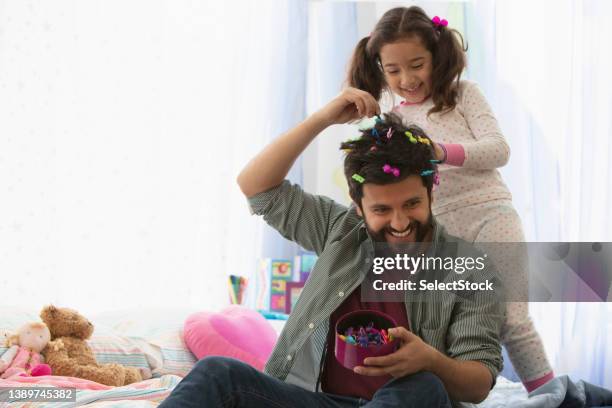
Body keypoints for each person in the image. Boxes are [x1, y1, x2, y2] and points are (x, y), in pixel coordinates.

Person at [159, 89, 504, 407]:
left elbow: (479, 382)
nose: (400, 223)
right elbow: (256, 187)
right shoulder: (339, 230)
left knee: (424, 385)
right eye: (382, 210)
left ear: (431, 192)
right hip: (322, 401)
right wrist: (322, 119)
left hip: (407, 402)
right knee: (219, 374)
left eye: (412, 203)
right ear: (358, 206)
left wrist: (430, 360)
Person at [346, 5, 553, 391]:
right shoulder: (389, 114)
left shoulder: (464, 95)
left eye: (417, 64)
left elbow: (499, 150)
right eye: (393, 71)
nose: (406, 78)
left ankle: (550, 395)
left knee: (513, 317)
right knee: (447, 319)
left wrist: (440, 152)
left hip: (491, 214)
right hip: (440, 228)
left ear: (437, 56)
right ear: (379, 67)